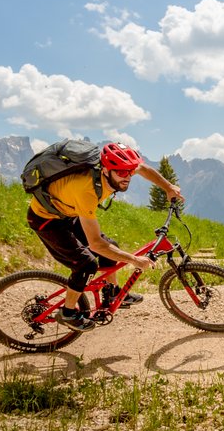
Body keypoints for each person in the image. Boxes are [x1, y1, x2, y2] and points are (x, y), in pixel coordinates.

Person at [27, 142, 184, 331]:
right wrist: (135, 260)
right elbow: (96, 244)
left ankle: (113, 293)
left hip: (67, 212)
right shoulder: (86, 190)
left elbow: (142, 168)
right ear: (106, 170)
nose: (127, 177)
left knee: (112, 246)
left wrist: (167, 187)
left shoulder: (118, 168)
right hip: (46, 220)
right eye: (122, 173)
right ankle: (67, 313)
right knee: (86, 264)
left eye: (129, 172)